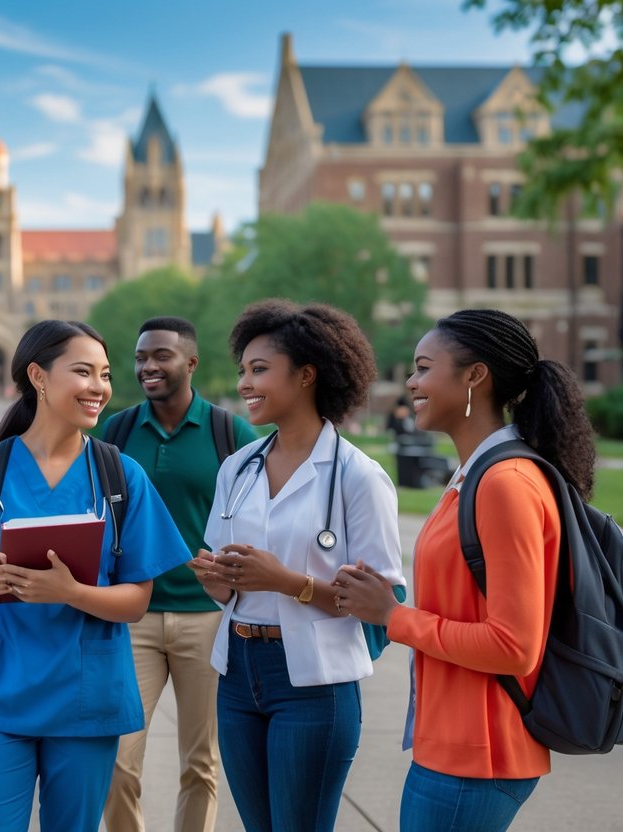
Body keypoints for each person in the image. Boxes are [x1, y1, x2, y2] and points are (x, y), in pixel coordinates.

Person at [0, 319, 192, 832]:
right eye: (83, 372)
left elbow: (136, 600)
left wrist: (69, 592)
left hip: (84, 698)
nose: (99, 388)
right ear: (38, 378)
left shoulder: (119, 476)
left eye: (105, 375)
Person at [333, 309, 595, 831]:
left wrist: (393, 617)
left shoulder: (505, 484)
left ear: (475, 376)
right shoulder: (475, 474)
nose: (411, 381)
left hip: (479, 751)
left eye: (425, 367)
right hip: (454, 745)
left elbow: (514, 646)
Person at [189, 299, 406, 832]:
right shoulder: (239, 467)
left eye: (259, 369)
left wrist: (287, 582)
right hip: (238, 670)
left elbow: (384, 606)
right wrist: (219, 582)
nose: (244, 383)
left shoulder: (358, 476)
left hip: (313, 684)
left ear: (307, 375)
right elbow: (228, 578)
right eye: (243, 371)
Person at [101, 316, 258, 832]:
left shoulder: (228, 431)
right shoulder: (117, 431)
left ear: (190, 363)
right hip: (132, 617)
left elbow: (261, 511)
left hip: (207, 618)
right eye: (141, 356)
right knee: (117, 759)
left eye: (161, 356)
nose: (148, 366)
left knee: (202, 763)